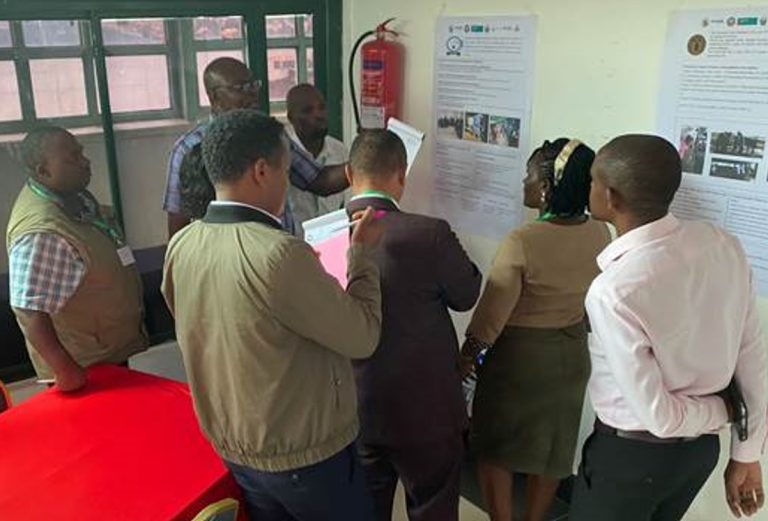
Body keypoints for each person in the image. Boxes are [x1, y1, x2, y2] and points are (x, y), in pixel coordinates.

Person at [161, 109, 382, 521]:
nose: (287, 181)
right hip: (305, 454)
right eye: (284, 169)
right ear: (261, 171)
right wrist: (362, 257)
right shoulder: (280, 253)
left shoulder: (183, 243)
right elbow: (363, 336)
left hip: (235, 445)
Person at [570, 134, 768, 521]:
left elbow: (658, 417)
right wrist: (746, 449)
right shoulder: (722, 245)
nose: (588, 188)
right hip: (697, 457)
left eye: (593, 180)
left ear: (611, 197)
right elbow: (752, 357)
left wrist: (724, 411)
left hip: (631, 458)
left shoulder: (614, 291)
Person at [460, 138, 611, 521]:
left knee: (496, 449)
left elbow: (490, 319)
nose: (522, 181)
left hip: (519, 363)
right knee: (552, 452)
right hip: (572, 355)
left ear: (546, 187)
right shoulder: (599, 233)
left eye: (528, 174)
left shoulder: (523, 241)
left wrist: (467, 359)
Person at [345, 130, 482, 521]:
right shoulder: (429, 233)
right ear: (401, 175)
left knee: (366, 508)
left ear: (349, 173)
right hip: (427, 411)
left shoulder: (324, 234)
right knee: (433, 505)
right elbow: (466, 294)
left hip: (356, 407)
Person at [7, 126, 148, 391]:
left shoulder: (71, 195)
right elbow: (28, 308)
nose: (85, 160)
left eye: (80, 151)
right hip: (83, 368)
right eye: (72, 157)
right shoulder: (41, 230)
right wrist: (64, 368)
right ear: (43, 171)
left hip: (104, 355)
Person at [163, 57, 348, 238]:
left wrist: (366, 160)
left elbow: (318, 180)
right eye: (240, 88)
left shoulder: (271, 135)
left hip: (279, 252)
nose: (252, 93)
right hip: (224, 259)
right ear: (214, 97)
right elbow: (178, 223)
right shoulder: (188, 147)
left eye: (253, 85)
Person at [285, 84, 348, 233]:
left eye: (322, 107)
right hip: (294, 246)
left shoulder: (340, 151)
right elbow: (322, 182)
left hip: (332, 243)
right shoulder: (283, 153)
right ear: (291, 118)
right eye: (308, 110)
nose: (319, 115)